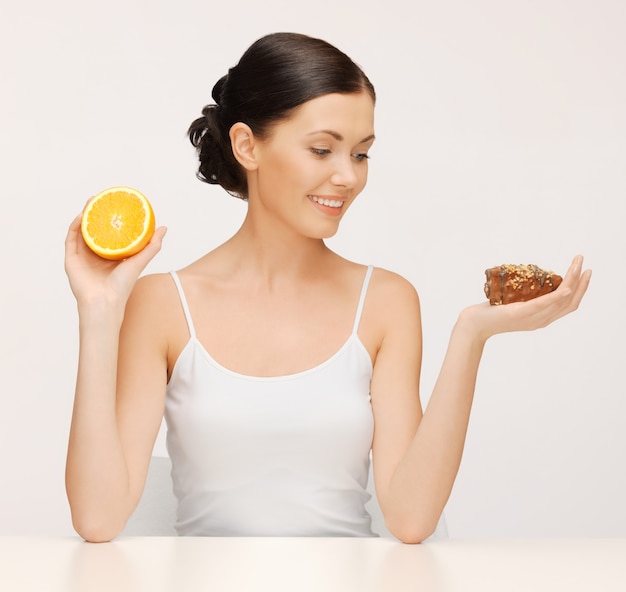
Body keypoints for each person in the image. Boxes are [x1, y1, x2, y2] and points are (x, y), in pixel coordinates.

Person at [64, 32, 591, 544]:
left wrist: (471, 334)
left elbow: (410, 520)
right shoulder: (163, 304)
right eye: (322, 150)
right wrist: (99, 314)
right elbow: (98, 519)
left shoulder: (386, 301)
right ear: (247, 145)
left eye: (361, 154)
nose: (348, 177)